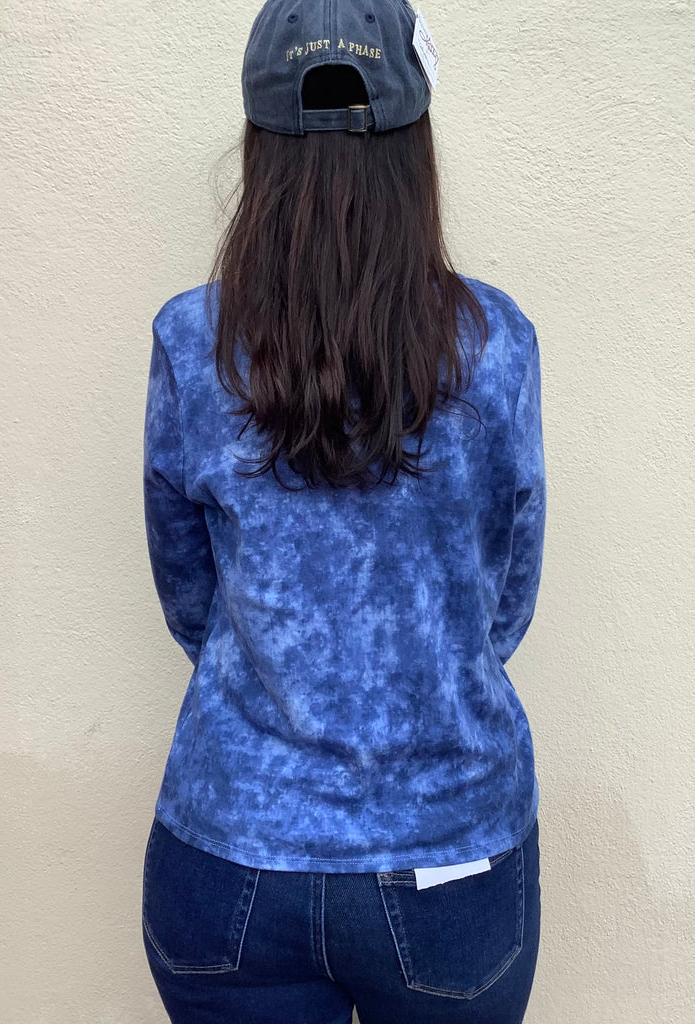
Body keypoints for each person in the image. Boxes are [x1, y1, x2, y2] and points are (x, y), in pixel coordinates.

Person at [140, 0, 547, 1021]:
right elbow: (505, 593)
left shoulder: (193, 341)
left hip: (232, 857)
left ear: (258, 144)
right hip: (449, 852)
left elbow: (189, 595)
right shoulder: (496, 342)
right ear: (414, 148)